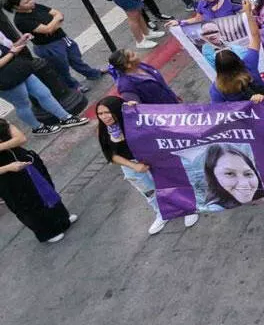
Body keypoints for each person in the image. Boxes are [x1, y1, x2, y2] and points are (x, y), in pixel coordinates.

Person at [95, 96, 198, 235]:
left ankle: (187, 207)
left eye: (107, 112)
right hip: (132, 167)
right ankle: (162, 212)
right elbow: (110, 155)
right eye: (100, 114)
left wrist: (136, 108)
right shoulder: (105, 131)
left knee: (171, 182)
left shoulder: (133, 120)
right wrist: (133, 166)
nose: (104, 117)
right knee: (149, 192)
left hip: (154, 158)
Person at [5, 0, 104, 92]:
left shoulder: (36, 6)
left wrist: (54, 24)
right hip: (49, 46)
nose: (32, 2)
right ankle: (73, 86)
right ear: (16, 7)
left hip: (62, 38)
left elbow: (58, 14)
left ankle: (92, 73)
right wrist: (56, 21)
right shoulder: (21, 20)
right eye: (27, 2)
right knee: (62, 69)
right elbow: (47, 29)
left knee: (76, 59)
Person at [0, 117, 77, 242]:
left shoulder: (2, 122)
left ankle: (62, 219)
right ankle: (47, 233)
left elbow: (20, 138)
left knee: (46, 191)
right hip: (7, 176)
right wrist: (8, 167)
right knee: (27, 205)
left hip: (26, 163)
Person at [108, 48, 182, 103]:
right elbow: (138, 110)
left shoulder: (141, 66)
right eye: (133, 55)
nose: (136, 53)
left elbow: (161, 83)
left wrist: (173, 96)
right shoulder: (126, 87)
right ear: (128, 65)